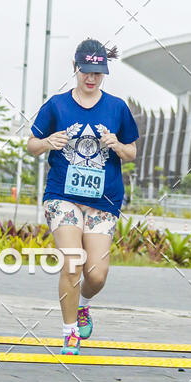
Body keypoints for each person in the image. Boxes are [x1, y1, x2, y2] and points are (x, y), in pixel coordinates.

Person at [27, 38, 139, 355]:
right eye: (86, 71)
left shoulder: (117, 108)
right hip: (62, 195)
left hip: (103, 202)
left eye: (97, 73)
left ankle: (82, 305)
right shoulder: (57, 105)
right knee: (73, 263)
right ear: (75, 68)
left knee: (97, 275)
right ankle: (69, 333)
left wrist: (116, 144)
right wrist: (48, 141)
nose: (91, 78)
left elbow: (131, 152)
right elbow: (31, 145)